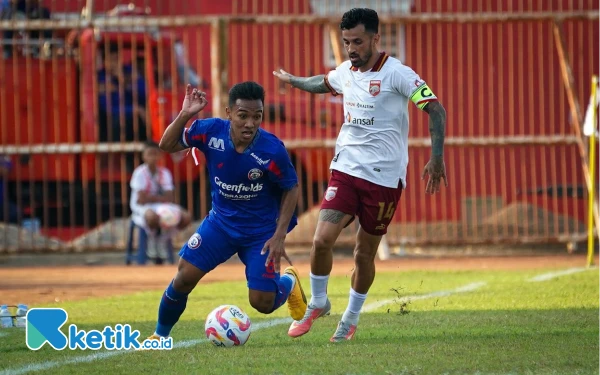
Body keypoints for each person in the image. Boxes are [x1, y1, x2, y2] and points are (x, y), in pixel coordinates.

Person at [273, 7, 448, 342]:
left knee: (362, 253)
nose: (351, 48)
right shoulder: (346, 71)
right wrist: (294, 81)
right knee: (321, 239)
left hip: (384, 180)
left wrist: (436, 157)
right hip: (346, 170)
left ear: (375, 39)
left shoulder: (398, 74)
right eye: (346, 41)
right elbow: (323, 83)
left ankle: (350, 318)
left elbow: (435, 108)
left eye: (357, 41)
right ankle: (320, 302)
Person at [148, 81, 307, 340]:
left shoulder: (272, 150)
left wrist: (279, 236)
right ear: (229, 113)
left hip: (260, 233)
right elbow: (167, 145)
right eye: (243, 116)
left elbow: (292, 188)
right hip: (220, 225)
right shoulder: (210, 132)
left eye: (257, 116)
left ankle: (288, 284)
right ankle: (160, 335)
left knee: (262, 303)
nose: (250, 123)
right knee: (184, 277)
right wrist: (186, 114)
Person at [129, 141, 192, 264]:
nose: (152, 157)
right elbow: (141, 200)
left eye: (155, 154)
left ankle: (163, 240)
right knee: (152, 216)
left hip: (161, 206)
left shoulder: (165, 173)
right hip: (141, 207)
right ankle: (152, 241)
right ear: (144, 156)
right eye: (149, 154)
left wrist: (152, 197)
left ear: (160, 156)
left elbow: (169, 198)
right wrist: (160, 197)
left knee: (185, 217)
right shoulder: (139, 173)